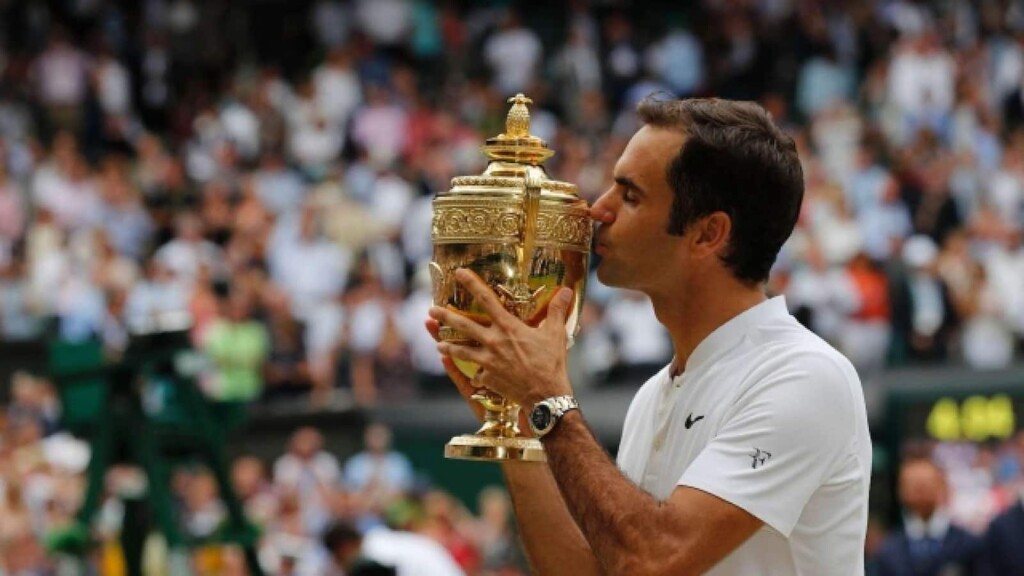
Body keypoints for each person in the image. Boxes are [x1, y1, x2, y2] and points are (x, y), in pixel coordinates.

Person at [426, 96, 872, 575]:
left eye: (631, 195)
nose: (598, 210)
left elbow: (654, 560)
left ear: (707, 235)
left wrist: (546, 399)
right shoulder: (653, 395)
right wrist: (518, 421)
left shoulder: (805, 377)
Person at [874, 456, 983, 576]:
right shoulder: (889, 549)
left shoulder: (967, 544)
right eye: (913, 484)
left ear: (943, 487)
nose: (921, 490)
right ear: (900, 491)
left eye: (927, 483)